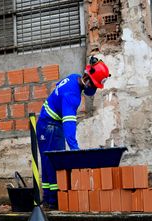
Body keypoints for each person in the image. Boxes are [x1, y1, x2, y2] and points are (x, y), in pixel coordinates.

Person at [36, 57, 110, 209]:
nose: (94, 90)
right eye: (94, 86)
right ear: (87, 80)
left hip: (48, 124)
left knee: (50, 162)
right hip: (49, 127)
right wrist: (76, 152)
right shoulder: (72, 96)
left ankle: (50, 200)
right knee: (53, 163)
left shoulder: (74, 77)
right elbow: (69, 126)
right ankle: (52, 201)